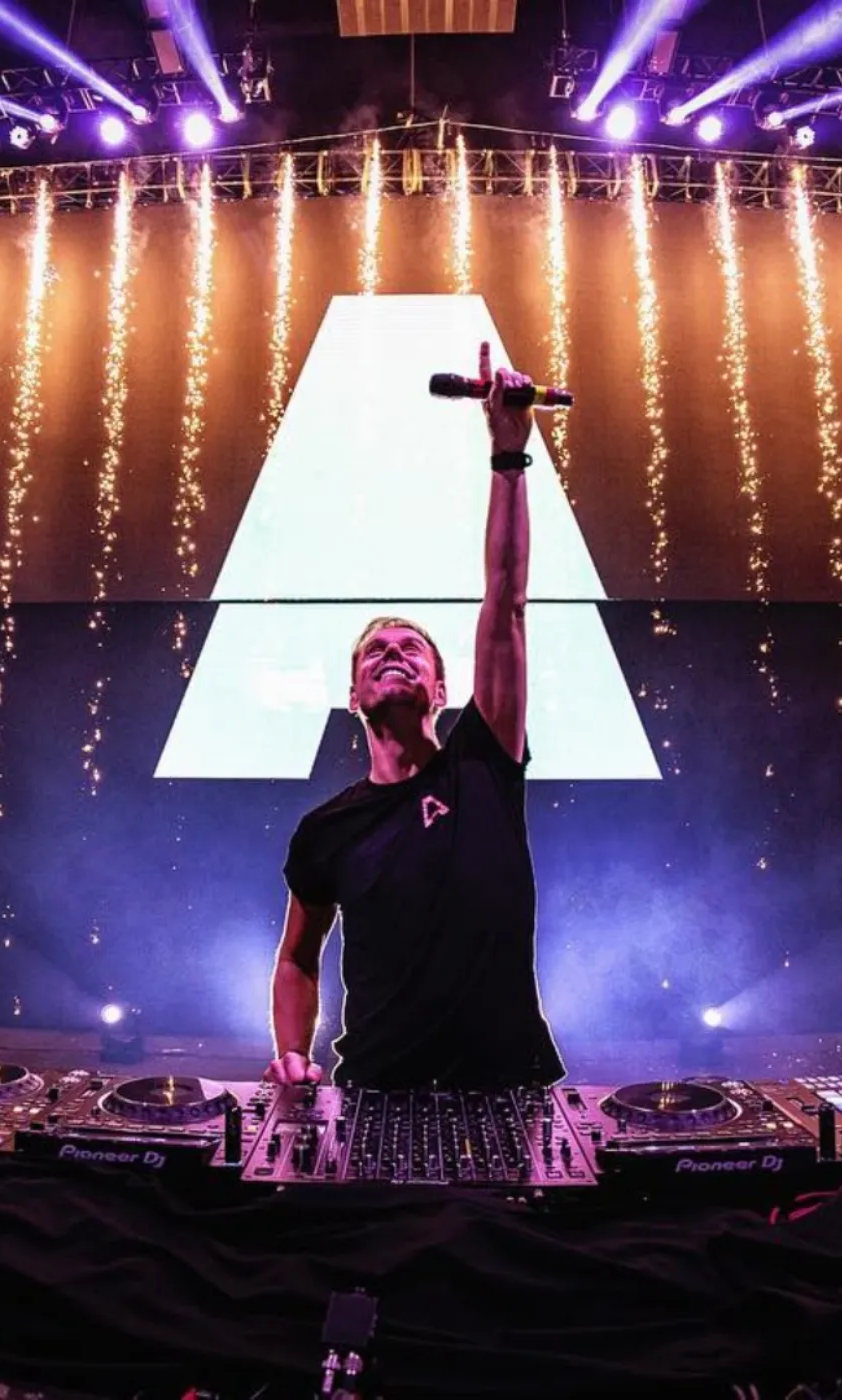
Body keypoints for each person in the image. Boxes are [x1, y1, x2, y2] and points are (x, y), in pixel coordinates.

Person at [264, 342, 565, 1090]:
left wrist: (509, 454)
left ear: (441, 690)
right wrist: (293, 1052)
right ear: (352, 697)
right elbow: (297, 958)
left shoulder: (484, 761)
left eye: (411, 650)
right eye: (375, 651)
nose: (392, 654)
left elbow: (507, 599)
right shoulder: (327, 829)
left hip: (506, 1086)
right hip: (377, 1089)